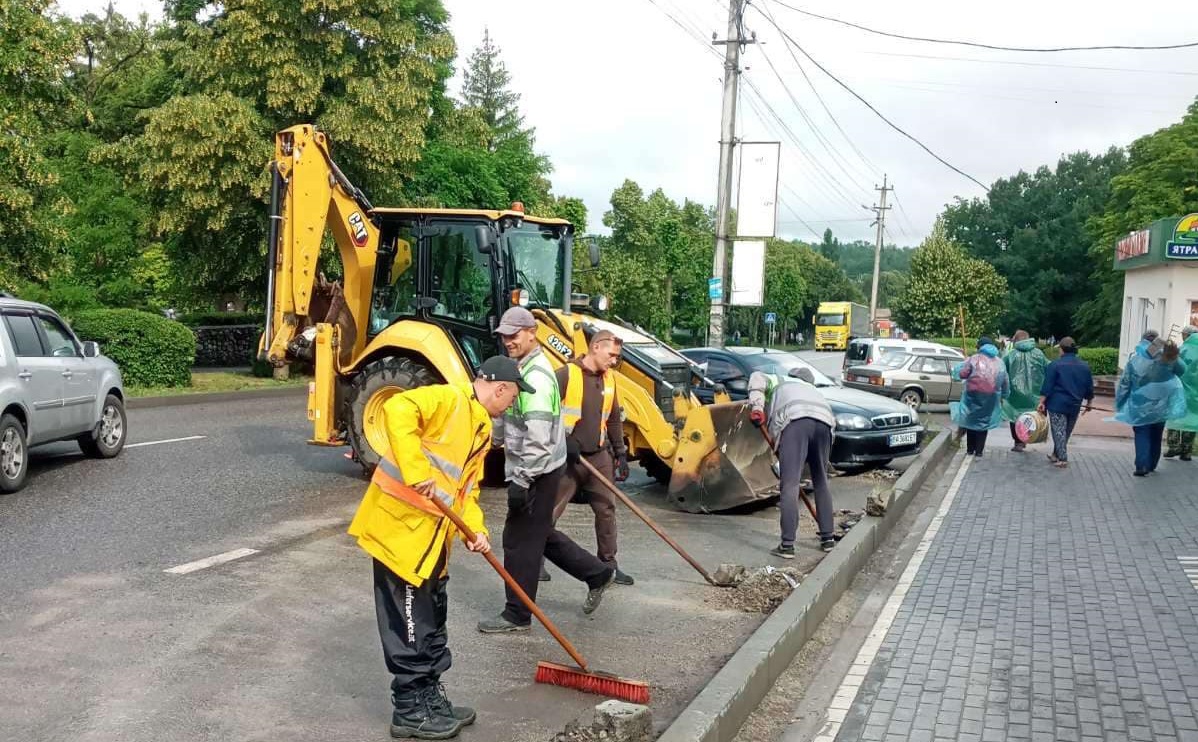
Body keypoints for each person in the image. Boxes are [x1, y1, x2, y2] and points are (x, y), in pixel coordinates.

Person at [348, 355, 527, 739]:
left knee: (429, 624)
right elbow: (397, 408)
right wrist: (416, 471)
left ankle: (430, 698)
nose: (511, 404)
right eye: (512, 397)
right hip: (401, 537)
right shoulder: (448, 399)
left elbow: (467, 491)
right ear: (500, 388)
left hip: (433, 541)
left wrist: (475, 531)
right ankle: (410, 710)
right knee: (409, 625)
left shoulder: (479, 425)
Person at [478, 307, 615, 633]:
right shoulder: (523, 369)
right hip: (542, 465)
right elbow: (510, 420)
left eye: (514, 335)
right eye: (504, 335)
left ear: (532, 332)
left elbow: (537, 439)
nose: (508, 341)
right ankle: (596, 573)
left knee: (517, 541)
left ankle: (517, 614)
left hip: (537, 468)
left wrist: (521, 481)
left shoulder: (535, 378)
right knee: (538, 533)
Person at [547, 330, 634, 585]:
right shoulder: (566, 374)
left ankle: (609, 565)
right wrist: (563, 440)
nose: (615, 361)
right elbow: (544, 412)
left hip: (598, 456)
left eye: (617, 356)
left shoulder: (610, 380)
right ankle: (537, 557)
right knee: (549, 510)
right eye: (612, 354)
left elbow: (614, 417)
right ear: (596, 347)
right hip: (567, 457)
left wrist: (620, 452)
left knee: (606, 509)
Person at [748, 366, 837, 555]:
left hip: (795, 421)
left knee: (790, 483)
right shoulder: (814, 391)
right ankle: (828, 539)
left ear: (792, 376)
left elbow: (757, 377)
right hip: (825, 424)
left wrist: (757, 407)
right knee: (821, 482)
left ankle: (787, 545)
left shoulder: (779, 380)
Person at [1114, 336, 1187, 476]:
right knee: (1156, 434)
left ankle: (1142, 466)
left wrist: (1120, 402)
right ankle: (1152, 464)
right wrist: (1173, 357)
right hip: (1161, 405)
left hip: (1140, 405)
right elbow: (1182, 370)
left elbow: (1125, 383)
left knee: (1142, 433)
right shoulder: (1167, 357)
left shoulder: (1135, 359)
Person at [1036, 337, 1094, 468]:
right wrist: (1089, 402)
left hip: (1057, 404)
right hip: (1075, 404)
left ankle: (1062, 458)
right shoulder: (1084, 366)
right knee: (1066, 431)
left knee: (1058, 431)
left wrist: (1041, 402)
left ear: (1061, 350)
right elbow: (1089, 387)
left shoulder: (1055, 365)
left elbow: (1047, 386)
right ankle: (1056, 454)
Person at [951, 337, 1010, 457]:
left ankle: (970, 449)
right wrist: (1004, 394)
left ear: (980, 347)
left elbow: (962, 374)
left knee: (971, 420)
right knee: (984, 422)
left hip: (972, 395)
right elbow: (1005, 380)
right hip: (991, 396)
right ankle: (979, 451)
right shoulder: (999, 362)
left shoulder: (973, 359)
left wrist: (961, 367)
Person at [1002, 330, 1048, 452]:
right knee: (1032, 417)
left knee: (1015, 417)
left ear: (1016, 340)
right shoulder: (1039, 354)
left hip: (1015, 395)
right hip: (1036, 394)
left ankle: (1018, 442)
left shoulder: (1010, 355)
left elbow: (1001, 371)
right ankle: (1032, 437)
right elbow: (1049, 368)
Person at [1165, 326, 1198, 461]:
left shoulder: (1182, 350)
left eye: (1183, 334)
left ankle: (1173, 447)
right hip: (1195, 392)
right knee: (1192, 418)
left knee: (1175, 417)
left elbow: (1172, 367)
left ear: (1186, 335)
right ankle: (1186, 451)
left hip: (1179, 389)